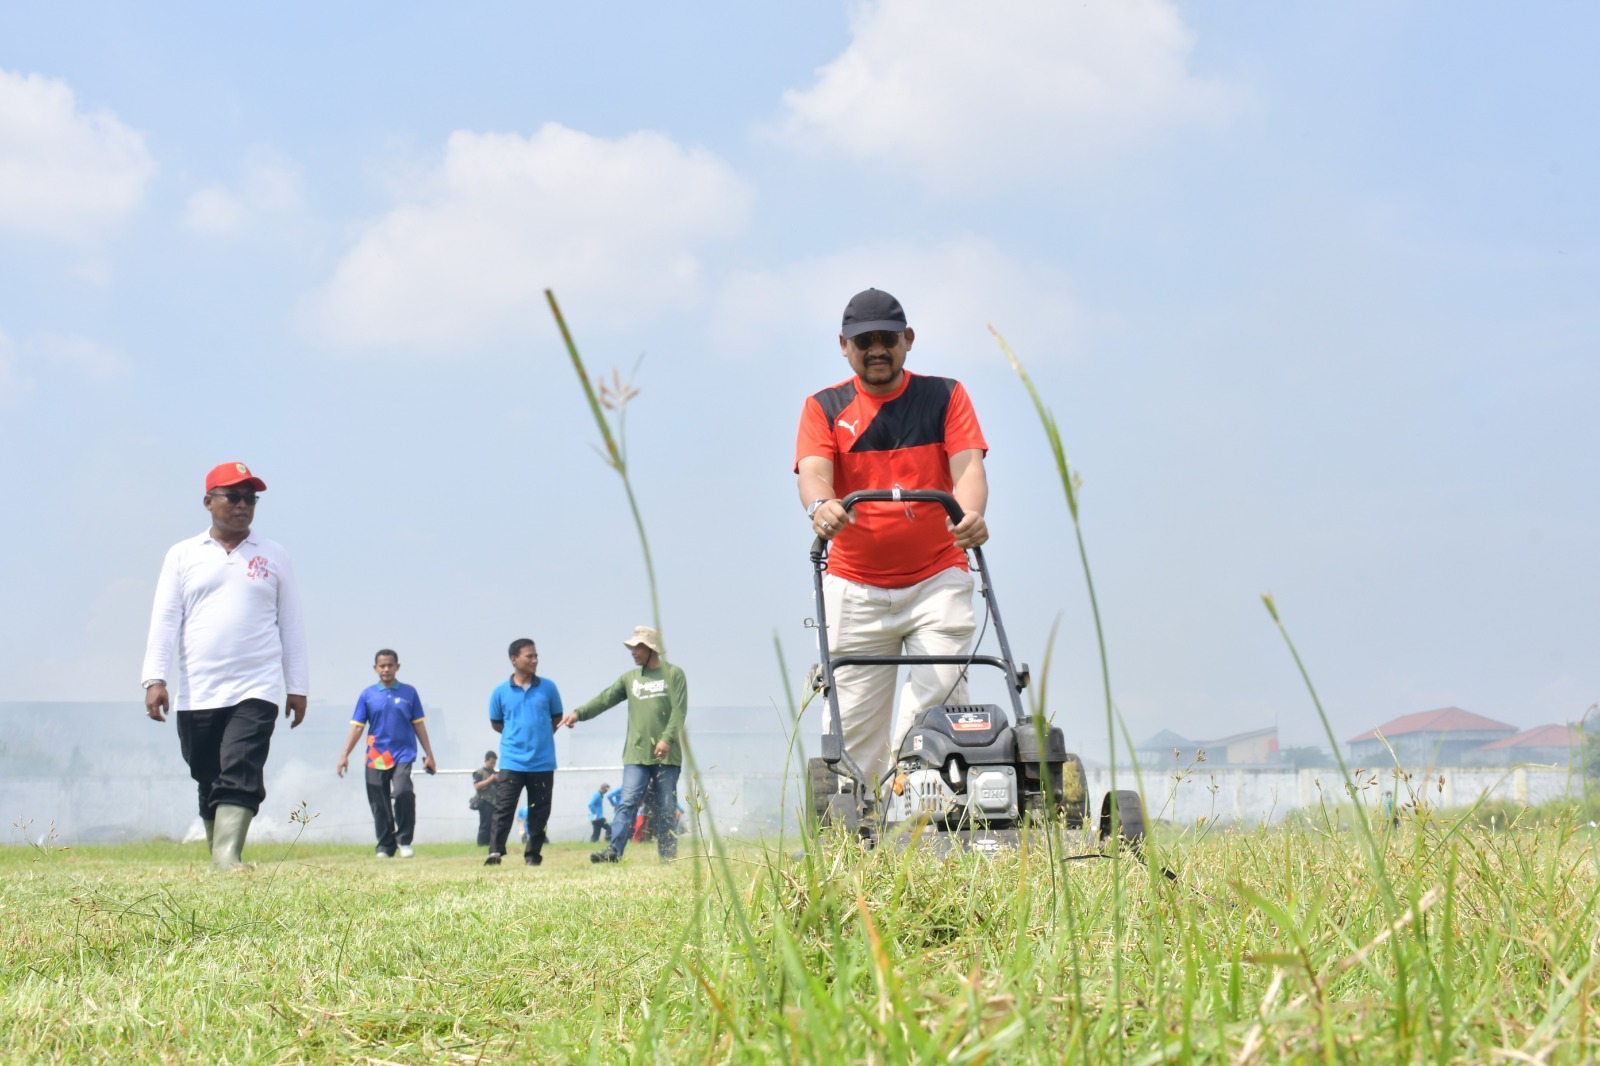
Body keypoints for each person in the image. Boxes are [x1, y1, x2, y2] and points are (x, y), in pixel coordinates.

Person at [795, 288, 990, 786]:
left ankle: (919, 809)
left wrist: (970, 515)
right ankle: (855, 834)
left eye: (888, 339)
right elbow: (814, 475)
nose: (877, 349)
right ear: (844, 345)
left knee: (938, 702)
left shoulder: (945, 395)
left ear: (908, 340)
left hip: (937, 577)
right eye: (865, 341)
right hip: (854, 586)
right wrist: (822, 507)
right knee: (854, 725)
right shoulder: (824, 407)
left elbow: (968, 469)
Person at [141, 461, 309, 870]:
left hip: (258, 686)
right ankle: (220, 853)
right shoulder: (182, 555)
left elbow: (292, 623)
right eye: (233, 496)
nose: (243, 505)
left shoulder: (274, 555)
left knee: (241, 765)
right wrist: (155, 677)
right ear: (208, 501)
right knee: (208, 774)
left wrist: (297, 685)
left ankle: (226, 856)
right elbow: (165, 618)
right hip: (198, 690)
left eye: (251, 498)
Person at [560, 626, 687, 864]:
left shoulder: (674, 674)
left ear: (651, 648)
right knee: (627, 802)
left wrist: (667, 739)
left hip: (666, 757)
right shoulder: (630, 679)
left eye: (637, 647)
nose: (632, 652)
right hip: (635, 754)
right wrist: (579, 713)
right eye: (632, 648)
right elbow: (605, 698)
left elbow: (679, 712)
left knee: (666, 808)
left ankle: (667, 858)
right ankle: (613, 852)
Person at [336, 649, 437, 858]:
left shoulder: (409, 693)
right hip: (376, 755)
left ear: (397, 667)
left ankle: (404, 840)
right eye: (382, 666)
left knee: (402, 792)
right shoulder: (368, 695)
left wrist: (429, 754)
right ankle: (385, 845)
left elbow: (419, 726)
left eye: (390, 665)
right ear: (375, 668)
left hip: (403, 753)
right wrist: (344, 755)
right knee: (379, 801)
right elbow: (357, 727)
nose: (386, 669)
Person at [485, 638, 563, 866]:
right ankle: (495, 853)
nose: (535, 660)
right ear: (514, 660)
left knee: (539, 812)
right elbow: (497, 723)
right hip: (512, 761)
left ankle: (533, 856)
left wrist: (539, 738)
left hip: (543, 762)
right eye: (529, 656)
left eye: (536, 656)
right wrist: (517, 737)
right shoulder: (500, 692)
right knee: (504, 808)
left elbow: (556, 719)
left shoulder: (549, 688)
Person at [470, 751, 499, 847]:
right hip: (484, 802)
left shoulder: (495, 774)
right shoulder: (479, 773)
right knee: (485, 824)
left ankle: (492, 843)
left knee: (494, 825)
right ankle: (482, 843)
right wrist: (491, 779)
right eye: (491, 762)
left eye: (494, 763)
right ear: (486, 761)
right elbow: (477, 786)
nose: (493, 765)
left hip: (494, 802)